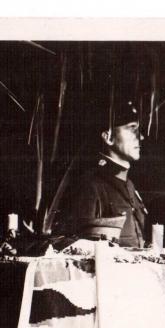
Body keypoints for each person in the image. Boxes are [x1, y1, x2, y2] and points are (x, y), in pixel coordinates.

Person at [56, 97, 148, 247]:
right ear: (108, 137)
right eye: (132, 128)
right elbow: (70, 244)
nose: (141, 137)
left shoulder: (129, 185)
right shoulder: (90, 185)